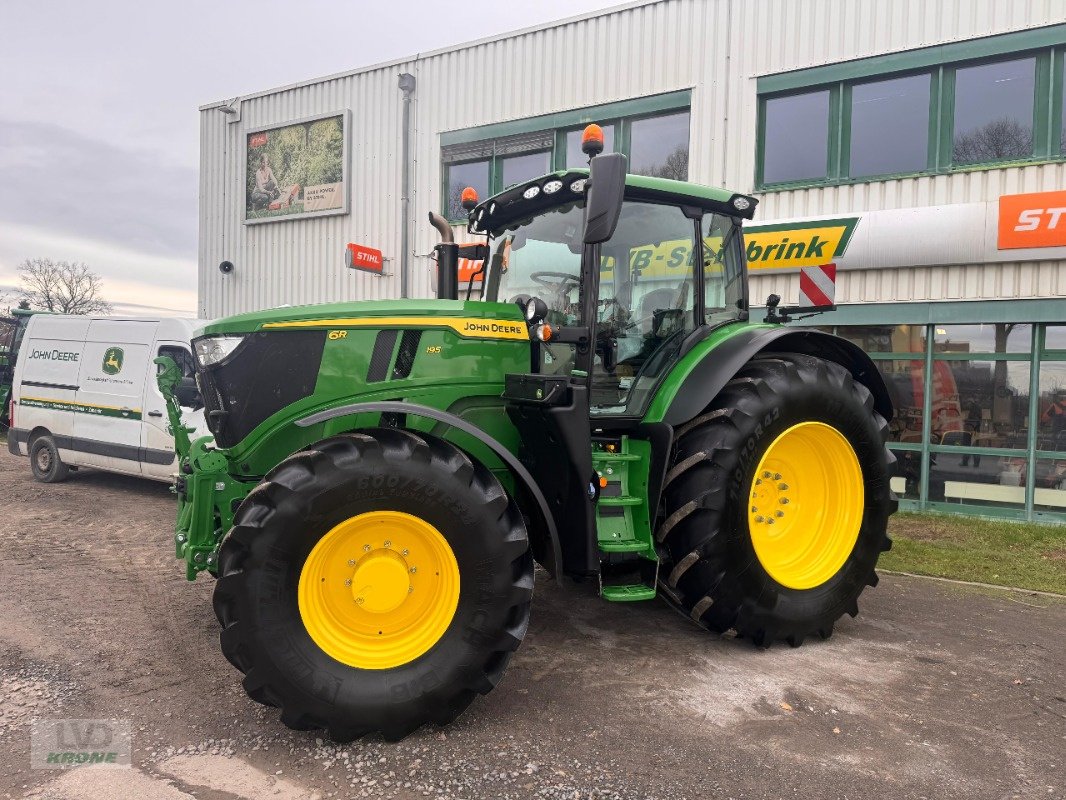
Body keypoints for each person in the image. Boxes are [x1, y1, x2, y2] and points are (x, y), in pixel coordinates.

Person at [960, 398, 982, 468]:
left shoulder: (975, 408)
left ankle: (967, 462)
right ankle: (971, 463)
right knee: (972, 446)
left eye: (967, 403)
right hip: (972, 429)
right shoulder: (975, 408)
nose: (967, 405)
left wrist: (967, 420)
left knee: (970, 446)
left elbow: (975, 420)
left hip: (972, 429)